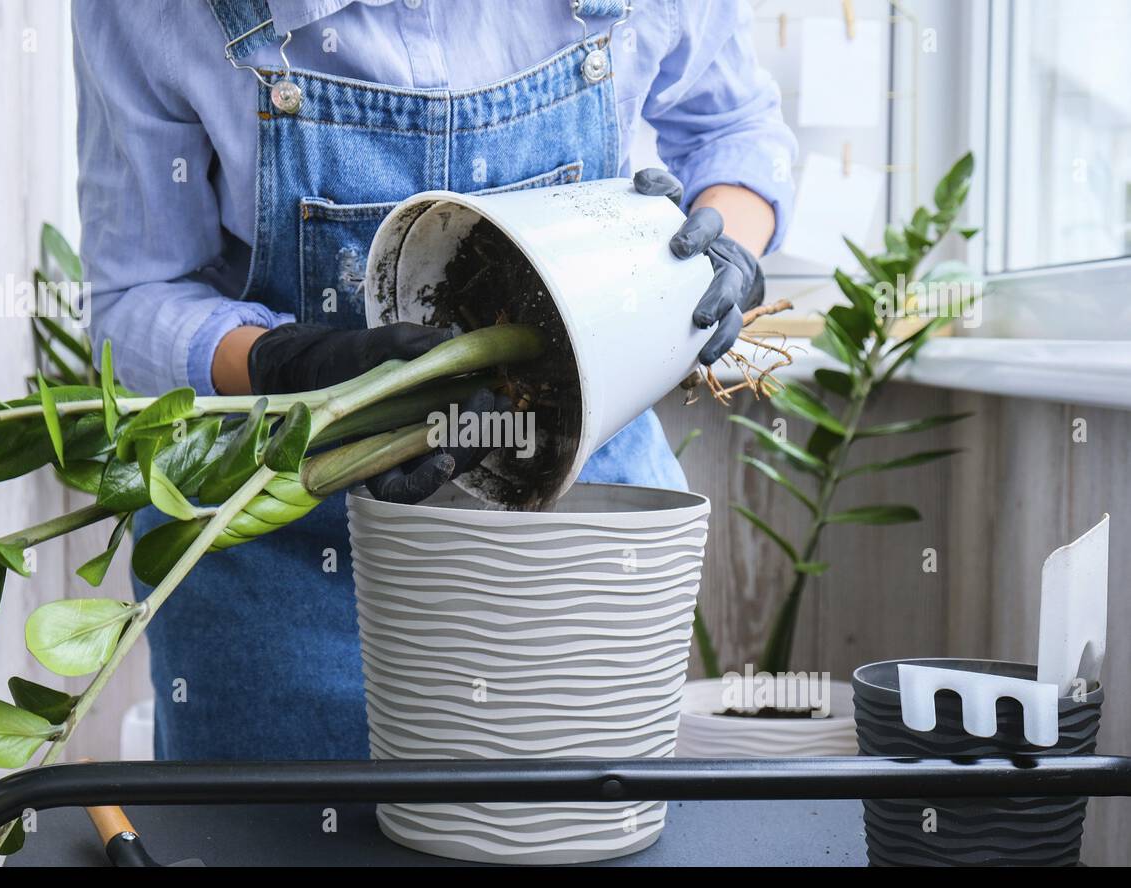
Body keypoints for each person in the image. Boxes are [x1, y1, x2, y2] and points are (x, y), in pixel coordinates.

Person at [72, 0, 796, 760]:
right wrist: (279, 361)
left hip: (576, 554)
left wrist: (727, 246)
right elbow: (133, 297)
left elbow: (736, 130)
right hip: (276, 563)